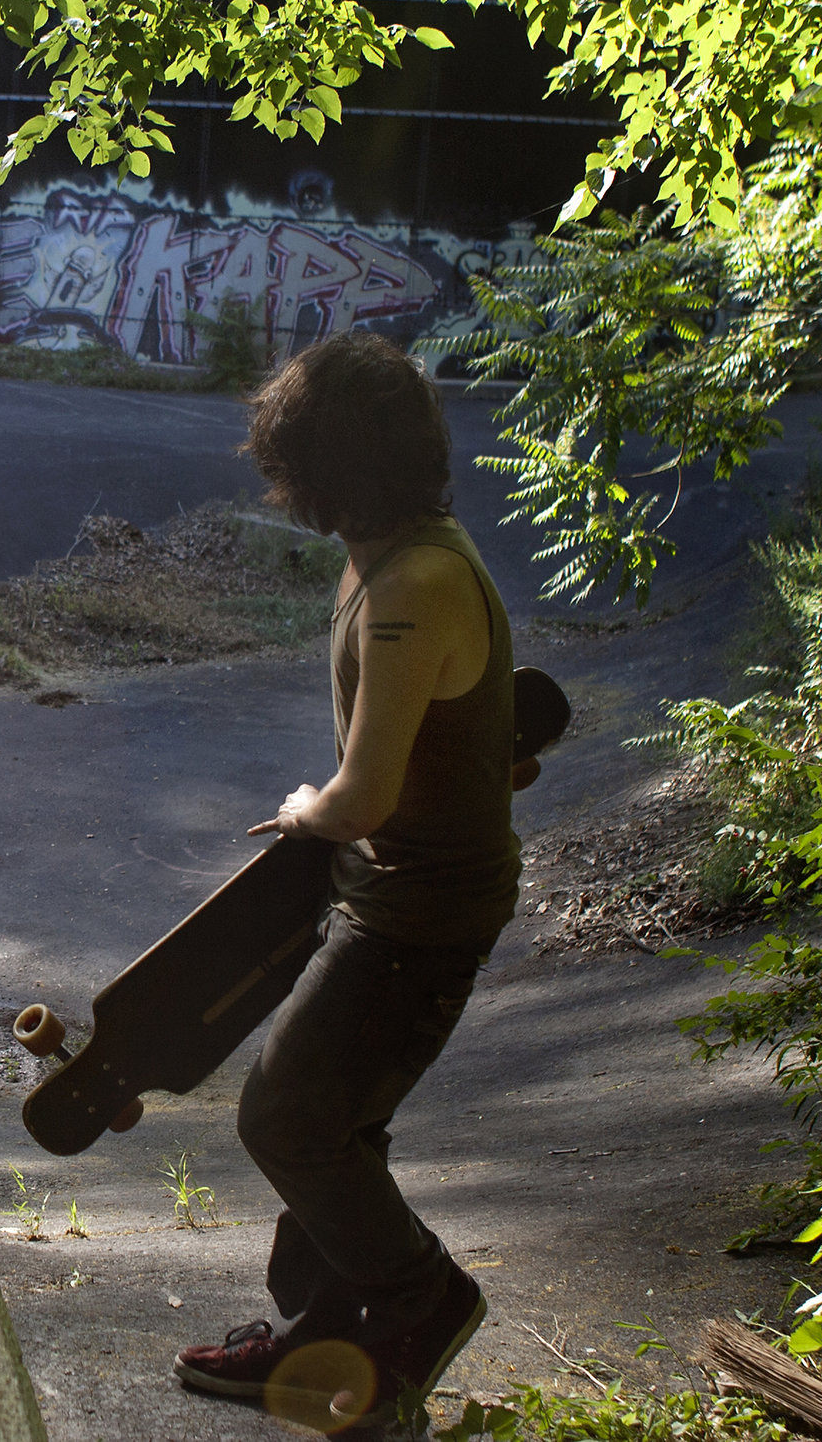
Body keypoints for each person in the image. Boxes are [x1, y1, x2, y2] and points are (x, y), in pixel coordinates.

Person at [172, 332, 520, 1431]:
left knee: (286, 1115)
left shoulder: (413, 578)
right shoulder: (394, 548)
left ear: (324, 464)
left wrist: (299, 809)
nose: (282, 486)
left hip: (418, 909)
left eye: (290, 462)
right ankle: (331, 1327)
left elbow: (361, 795)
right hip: (388, 895)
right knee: (337, 1116)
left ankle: (421, 1299)